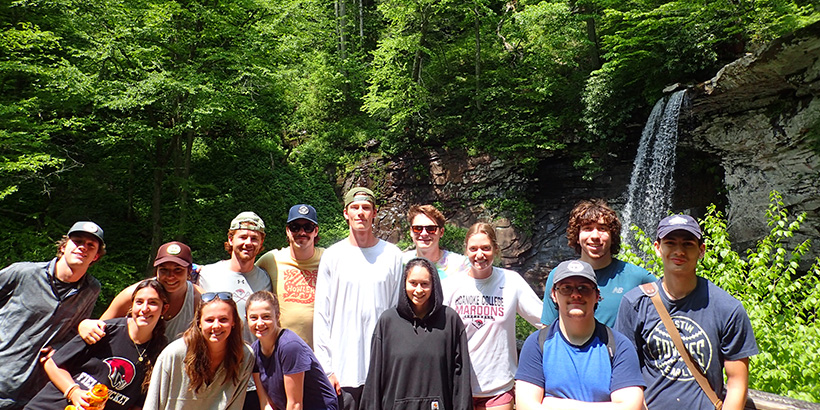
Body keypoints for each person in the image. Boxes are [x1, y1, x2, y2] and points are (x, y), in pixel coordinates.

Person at [615, 215, 758, 410]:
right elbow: (626, 375)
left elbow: (737, 383)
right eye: (670, 243)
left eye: (688, 244)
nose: (679, 251)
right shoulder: (634, 304)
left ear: (701, 250)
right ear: (658, 248)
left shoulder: (728, 308)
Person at [313, 186, 404, 410]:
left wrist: (394, 364)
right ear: (346, 213)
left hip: (381, 369)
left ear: (375, 213)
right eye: (355, 207)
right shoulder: (332, 256)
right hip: (343, 371)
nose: (360, 213)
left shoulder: (392, 255)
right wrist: (327, 369)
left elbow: (398, 314)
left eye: (366, 208)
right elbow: (321, 315)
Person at [0, 221, 105, 410]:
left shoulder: (91, 290)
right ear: (64, 247)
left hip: (35, 392)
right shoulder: (23, 273)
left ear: (96, 256)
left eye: (91, 245)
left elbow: (74, 330)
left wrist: (60, 346)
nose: (83, 247)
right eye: (78, 241)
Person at [516, 260, 645, 410]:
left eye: (583, 288)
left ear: (597, 295)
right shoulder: (537, 343)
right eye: (566, 288)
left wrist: (556, 404)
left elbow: (630, 407)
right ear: (554, 295)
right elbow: (525, 406)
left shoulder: (619, 345)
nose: (575, 295)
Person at [25, 279, 171, 410]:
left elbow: (139, 403)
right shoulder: (105, 330)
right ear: (132, 305)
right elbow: (52, 364)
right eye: (139, 302)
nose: (144, 309)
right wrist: (74, 392)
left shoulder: (161, 351)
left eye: (153, 303)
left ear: (164, 308)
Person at [442, 222, 543, 410]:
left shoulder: (511, 281)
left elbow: (544, 321)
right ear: (466, 250)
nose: (479, 255)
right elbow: (436, 333)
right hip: (459, 384)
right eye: (473, 248)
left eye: (486, 248)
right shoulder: (452, 285)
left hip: (499, 386)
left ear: (495, 250)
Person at [362, 257, 472, 410]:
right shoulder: (387, 322)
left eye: (425, 284)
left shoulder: (450, 321)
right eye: (413, 283)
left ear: (434, 285)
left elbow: (461, 377)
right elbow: (375, 376)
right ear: (404, 283)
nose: (418, 290)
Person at [542, 199, 655, 327]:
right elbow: (548, 332)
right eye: (587, 228)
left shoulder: (638, 278)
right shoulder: (559, 276)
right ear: (577, 236)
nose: (595, 235)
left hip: (621, 347)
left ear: (613, 236)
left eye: (602, 228)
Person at [145, 292, 255, 409]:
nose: (216, 326)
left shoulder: (244, 356)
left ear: (233, 322)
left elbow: (236, 405)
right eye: (209, 320)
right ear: (199, 322)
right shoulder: (174, 354)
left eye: (223, 319)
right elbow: (152, 404)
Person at [79, 241, 200, 342]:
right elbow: (100, 328)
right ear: (156, 270)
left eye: (178, 270)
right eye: (164, 270)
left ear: (189, 271)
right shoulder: (133, 295)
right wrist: (84, 326)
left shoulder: (199, 300)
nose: (170, 276)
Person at [246, 291, 338, 410]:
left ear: (277, 316)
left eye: (266, 317)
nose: (260, 323)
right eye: (253, 317)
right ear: (246, 319)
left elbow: (295, 404)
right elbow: (265, 403)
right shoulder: (255, 351)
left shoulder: (289, 347)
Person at [256, 204, 324, 348]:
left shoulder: (329, 259)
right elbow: (245, 271)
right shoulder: (271, 259)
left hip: (321, 350)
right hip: (282, 349)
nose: (302, 232)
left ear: (316, 231)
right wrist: (200, 269)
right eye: (295, 227)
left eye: (308, 227)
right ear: (287, 231)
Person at [198, 211, 271, 342]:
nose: (248, 243)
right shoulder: (207, 274)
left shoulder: (265, 279)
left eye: (254, 238)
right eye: (243, 237)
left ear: (261, 243)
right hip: (216, 355)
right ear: (231, 239)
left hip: (253, 358)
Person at [402, 204, 469, 280]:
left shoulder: (460, 265)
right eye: (418, 228)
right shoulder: (400, 263)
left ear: (441, 232)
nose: (424, 233)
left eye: (431, 229)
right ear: (411, 231)